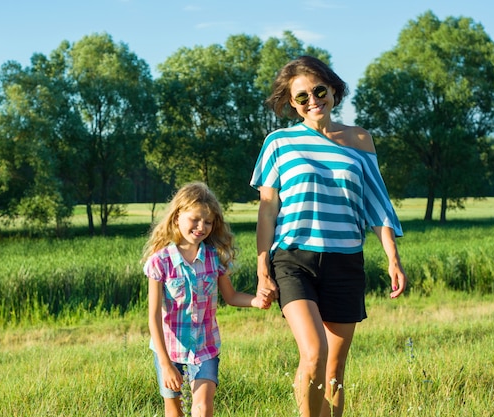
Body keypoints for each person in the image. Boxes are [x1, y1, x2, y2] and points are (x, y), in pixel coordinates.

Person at [250, 55, 407, 417]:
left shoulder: (359, 139)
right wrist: (262, 267)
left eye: (318, 90)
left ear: (333, 90)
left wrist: (392, 257)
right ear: (292, 104)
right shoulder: (279, 143)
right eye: (301, 97)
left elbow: (376, 203)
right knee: (313, 353)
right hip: (293, 259)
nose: (312, 100)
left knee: (335, 371)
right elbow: (267, 209)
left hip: (345, 260)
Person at [142, 181, 271, 417]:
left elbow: (230, 297)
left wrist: (255, 301)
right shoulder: (160, 261)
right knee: (174, 412)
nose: (202, 227)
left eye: (208, 222)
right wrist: (165, 363)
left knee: (202, 409)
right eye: (195, 219)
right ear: (177, 216)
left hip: (205, 347)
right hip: (169, 350)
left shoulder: (214, 258)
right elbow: (153, 318)